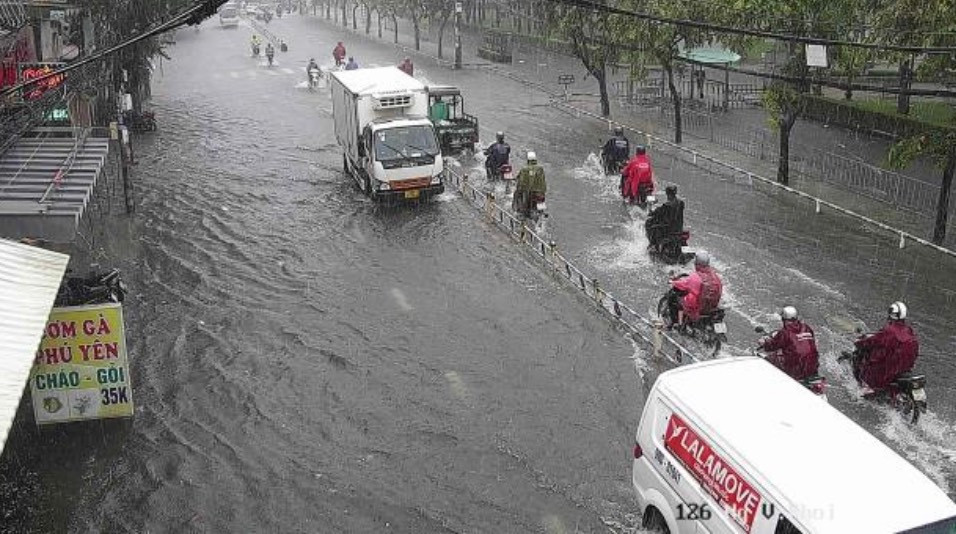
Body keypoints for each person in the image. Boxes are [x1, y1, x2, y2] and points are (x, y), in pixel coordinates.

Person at [853, 301, 919, 394]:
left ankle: (867, 388)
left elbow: (873, 341)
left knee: (869, 366)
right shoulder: (908, 330)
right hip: (904, 368)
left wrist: (859, 342)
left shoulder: (890, 331)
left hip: (889, 369)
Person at [759, 306, 820, 382]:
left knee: (769, 359)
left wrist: (764, 343)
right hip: (813, 368)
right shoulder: (807, 328)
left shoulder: (785, 332)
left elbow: (771, 347)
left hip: (795, 370)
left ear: (783, 319)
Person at [670, 252, 722, 327]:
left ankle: (679, 324)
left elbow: (683, 284)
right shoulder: (715, 276)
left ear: (697, 264)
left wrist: (673, 282)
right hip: (712, 307)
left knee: (679, 300)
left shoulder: (695, 277)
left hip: (697, 308)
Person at [513, 151, 546, 217]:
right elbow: (543, 179)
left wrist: (519, 189)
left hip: (529, 192)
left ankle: (519, 212)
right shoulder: (540, 168)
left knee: (517, 195)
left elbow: (521, 181)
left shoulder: (524, 169)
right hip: (541, 192)